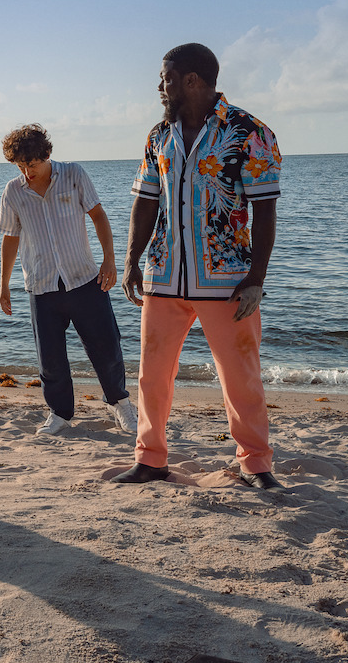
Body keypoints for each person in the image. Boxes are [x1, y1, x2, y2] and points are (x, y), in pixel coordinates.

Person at [112, 43, 284, 490]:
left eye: (165, 78)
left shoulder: (249, 131)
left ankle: (255, 464)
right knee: (152, 376)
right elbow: (145, 201)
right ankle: (150, 459)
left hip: (227, 279)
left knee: (241, 377)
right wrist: (131, 260)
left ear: (191, 80)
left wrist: (256, 279)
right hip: (164, 274)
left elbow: (265, 210)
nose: (159, 86)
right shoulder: (158, 135)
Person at [0, 124, 137, 436]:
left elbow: (98, 215)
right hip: (41, 285)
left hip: (84, 278)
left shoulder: (73, 174)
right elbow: (10, 238)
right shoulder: (13, 192)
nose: (27, 172)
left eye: (31, 164)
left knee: (106, 345)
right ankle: (59, 413)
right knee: (50, 358)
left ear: (47, 155)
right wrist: (4, 285)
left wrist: (109, 261)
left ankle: (121, 405)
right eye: (20, 166)